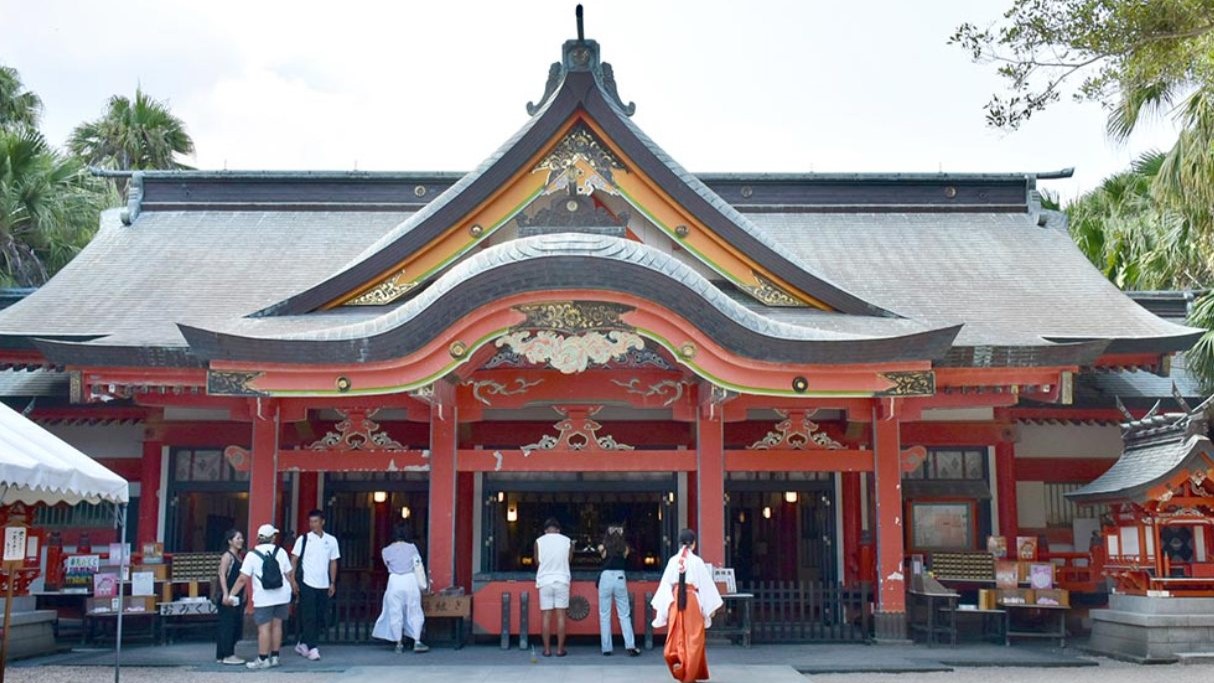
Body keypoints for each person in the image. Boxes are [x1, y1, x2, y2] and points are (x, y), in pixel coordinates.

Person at [651, 529, 723, 683]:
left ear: (679, 543)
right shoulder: (697, 561)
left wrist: (662, 611)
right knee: (694, 639)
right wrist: (709, 609)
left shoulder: (672, 561)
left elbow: (665, 586)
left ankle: (680, 669)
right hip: (692, 601)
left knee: (676, 637)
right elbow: (705, 585)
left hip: (676, 601)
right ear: (694, 544)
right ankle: (690, 675)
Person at [228, 523, 297, 671]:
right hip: (282, 594)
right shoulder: (281, 552)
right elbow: (288, 573)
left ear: (259, 538)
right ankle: (275, 657)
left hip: (264, 596)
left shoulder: (252, 555)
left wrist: (231, 594)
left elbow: (242, 578)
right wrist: (293, 588)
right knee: (277, 626)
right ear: (272, 538)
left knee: (264, 628)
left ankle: (263, 658)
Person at [290, 509, 341, 661]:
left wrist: (332, 582)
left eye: (316, 521)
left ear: (322, 522)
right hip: (307, 582)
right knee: (309, 615)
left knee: (320, 616)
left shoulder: (331, 540)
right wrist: (292, 580)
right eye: (311, 521)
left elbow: (333, 562)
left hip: (323, 583)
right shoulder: (303, 539)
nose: (313, 524)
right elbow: (294, 559)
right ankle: (313, 648)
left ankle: (303, 642)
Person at [371, 524, 430, 653]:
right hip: (410, 579)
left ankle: (398, 643)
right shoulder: (412, 548)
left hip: (394, 581)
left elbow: (387, 564)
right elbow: (417, 564)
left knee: (395, 611)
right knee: (414, 610)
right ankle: (417, 641)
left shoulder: (386, 550)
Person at [597, 524, 640, 657]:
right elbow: (626, 555)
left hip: (605, 577)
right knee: (624, 614)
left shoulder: (602, 547)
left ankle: (606, 648)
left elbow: (602, 554)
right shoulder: (625, 548)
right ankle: (630, 645)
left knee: (605, 615)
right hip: (620, 577)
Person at [534, 517, 572, 657]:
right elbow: (569, 560)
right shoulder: (567, 541)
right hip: (562, 580)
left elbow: (537, 562)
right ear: (558, 529)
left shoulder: (539, 541)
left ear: (545, 530)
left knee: (546, 616)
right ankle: (560, 650)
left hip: (545, 581)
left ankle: (547, 650)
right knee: (561, 616)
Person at [215, 529, 245, 665]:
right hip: (228, 594)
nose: (240, 540)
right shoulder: (227, 556)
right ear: (230, 541)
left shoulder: (240, 556)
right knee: (228, 625)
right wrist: (226, 593)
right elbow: (222, 574)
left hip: (237, 595)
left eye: (241, 538)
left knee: (233, 624)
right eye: (237, 538)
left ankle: (221, 655)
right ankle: (228, 654)